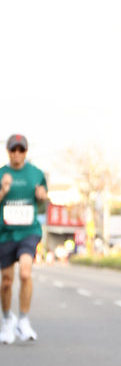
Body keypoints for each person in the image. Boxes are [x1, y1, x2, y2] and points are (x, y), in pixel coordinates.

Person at [0, 134, 48, 344]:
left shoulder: (36, 174)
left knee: (26, 273)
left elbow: (43, 202)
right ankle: (7, 319)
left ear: (26, 152)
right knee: (6, 282)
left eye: (21, 149)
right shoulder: (1, 174)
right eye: (13, 149)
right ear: (8, 151)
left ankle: (23, 320)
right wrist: (3, 190)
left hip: (29, 231)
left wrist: (42, 196)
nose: (17, 153)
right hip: (5, 233)